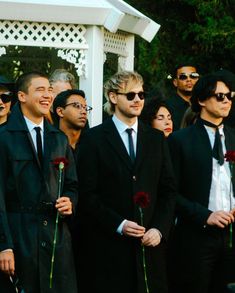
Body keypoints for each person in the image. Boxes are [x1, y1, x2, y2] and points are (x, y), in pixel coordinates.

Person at [75, 70, 176, 293]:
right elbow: (87, 194)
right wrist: (119, 224)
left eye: (141, 94)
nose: (138, 100)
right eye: (130, 95)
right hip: (109, 251)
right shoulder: (93, 139)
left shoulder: (156, 139)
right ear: (113, 97)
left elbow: (168, 190)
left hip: (150, 249)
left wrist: (159, 229)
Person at [0, 71, 78, 293]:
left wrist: (70, 201)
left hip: (55, 240)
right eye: (40, 90)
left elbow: (72, 185)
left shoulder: (59, 139)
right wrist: (4, 245)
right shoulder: (4, 138)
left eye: (50, 90)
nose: (47, 96)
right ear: (22, 96)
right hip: (19, 238)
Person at [168, 74, 235, 293]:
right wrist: (205, 215)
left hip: (231, 235)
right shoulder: (180, 140)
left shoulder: (233, 137)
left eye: (229, 96)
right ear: (202, 101)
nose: (227, 101)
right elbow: (170, 192)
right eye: (220, 96)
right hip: (196, 236)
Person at [165, 64, 199, 130]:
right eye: (183, 77)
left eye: (193, 76)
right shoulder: (167, 106)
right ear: (175, 82)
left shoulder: (204, 104)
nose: (189, 79)